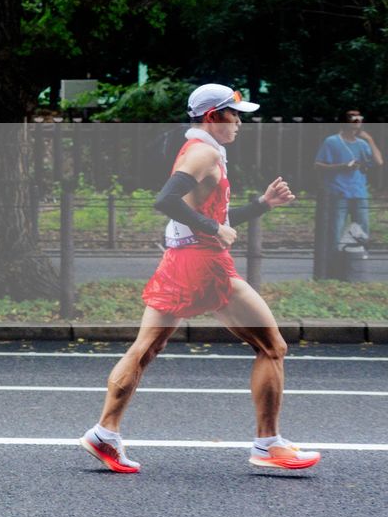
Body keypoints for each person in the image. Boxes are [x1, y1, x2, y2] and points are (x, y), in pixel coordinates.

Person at [82, 84, 318, 475]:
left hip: (180, 259)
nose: (240, 123)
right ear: (212, 117)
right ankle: (268, 443)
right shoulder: (203, 152)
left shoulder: (198, 150)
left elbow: (213, 217)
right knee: (272, 347)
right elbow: (166, 201)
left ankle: (104, 434)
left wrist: (262, 205)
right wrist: (211, 226)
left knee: (145, 349)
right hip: (204, 266)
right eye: (234, 115)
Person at [316, 110, 379, 252]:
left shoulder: (363, 144)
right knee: (336, 230)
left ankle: (359, 261)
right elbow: (318, 165)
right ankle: (335, 261)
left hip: (359, 192)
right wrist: (342, 166)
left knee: (362, 229)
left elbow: (378, 162)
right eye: (353, 117)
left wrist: (370, 140)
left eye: (359, 116)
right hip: (339, 192)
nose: (357, 119)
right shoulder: (332, 141)